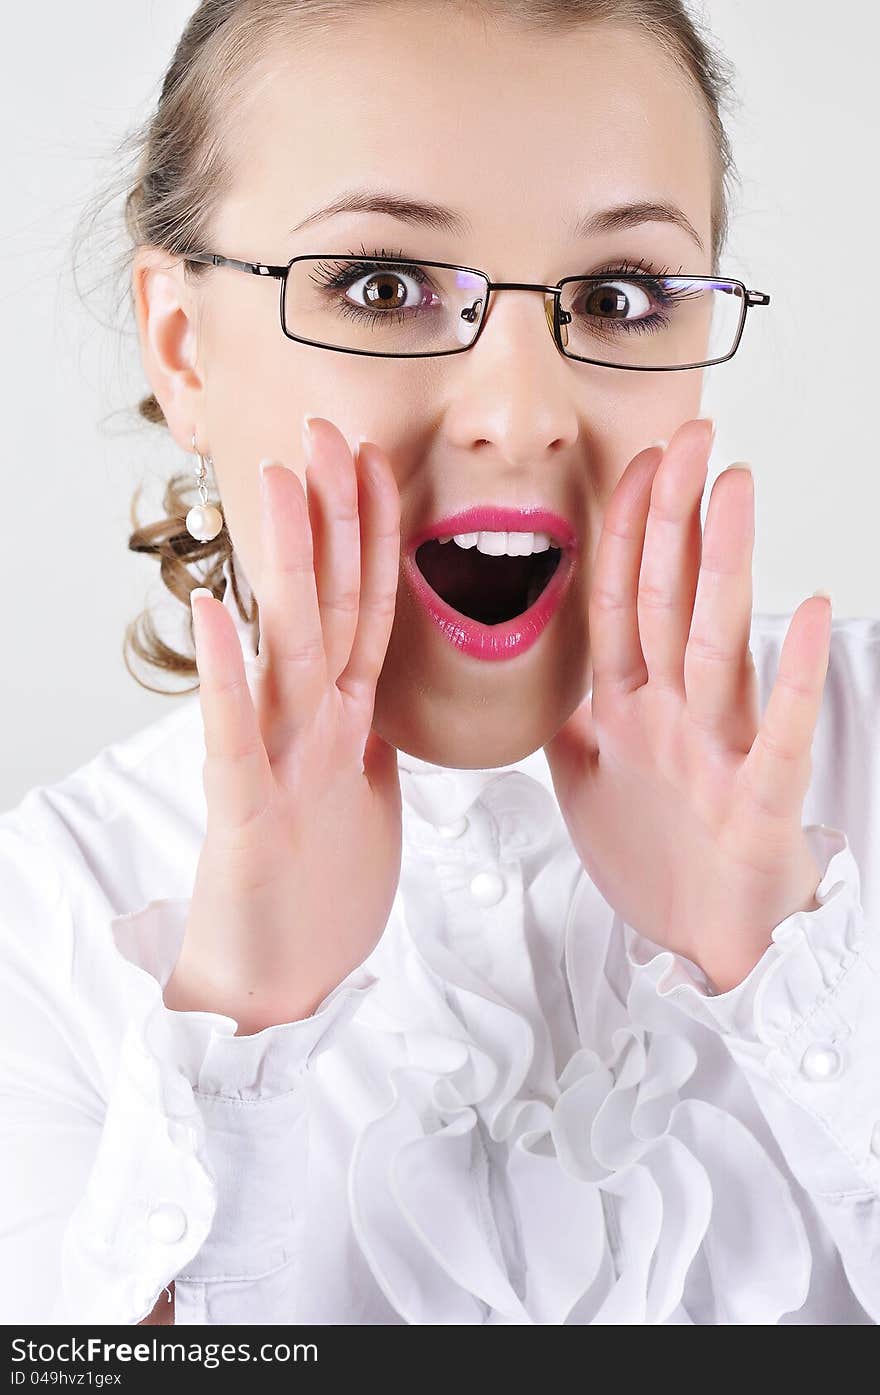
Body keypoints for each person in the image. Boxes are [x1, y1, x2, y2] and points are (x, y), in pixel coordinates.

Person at [2, 0, 878, 1327]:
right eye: (384, 285)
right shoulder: (48, 934)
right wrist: (242, 1023)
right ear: (181, 346)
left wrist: (784, 964)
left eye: (620, 296)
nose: (523, 414)